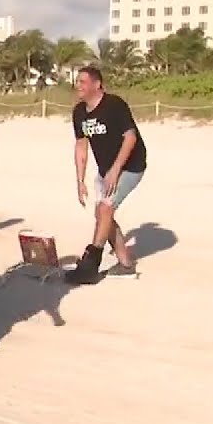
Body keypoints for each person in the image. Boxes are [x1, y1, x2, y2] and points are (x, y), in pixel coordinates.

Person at [67, 66, 146, 285]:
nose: (78, 86)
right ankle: (126, 264)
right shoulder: (79, 112)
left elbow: (130, 137)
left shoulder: (114, 105)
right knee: (102, 214)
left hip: (131, 166)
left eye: (83, 81)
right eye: (77, 81)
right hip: (105, 170)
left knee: (105, 209)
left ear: (97, 84)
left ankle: (90, 264)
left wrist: (116, 170)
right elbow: (81, 146)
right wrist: (80, 180)